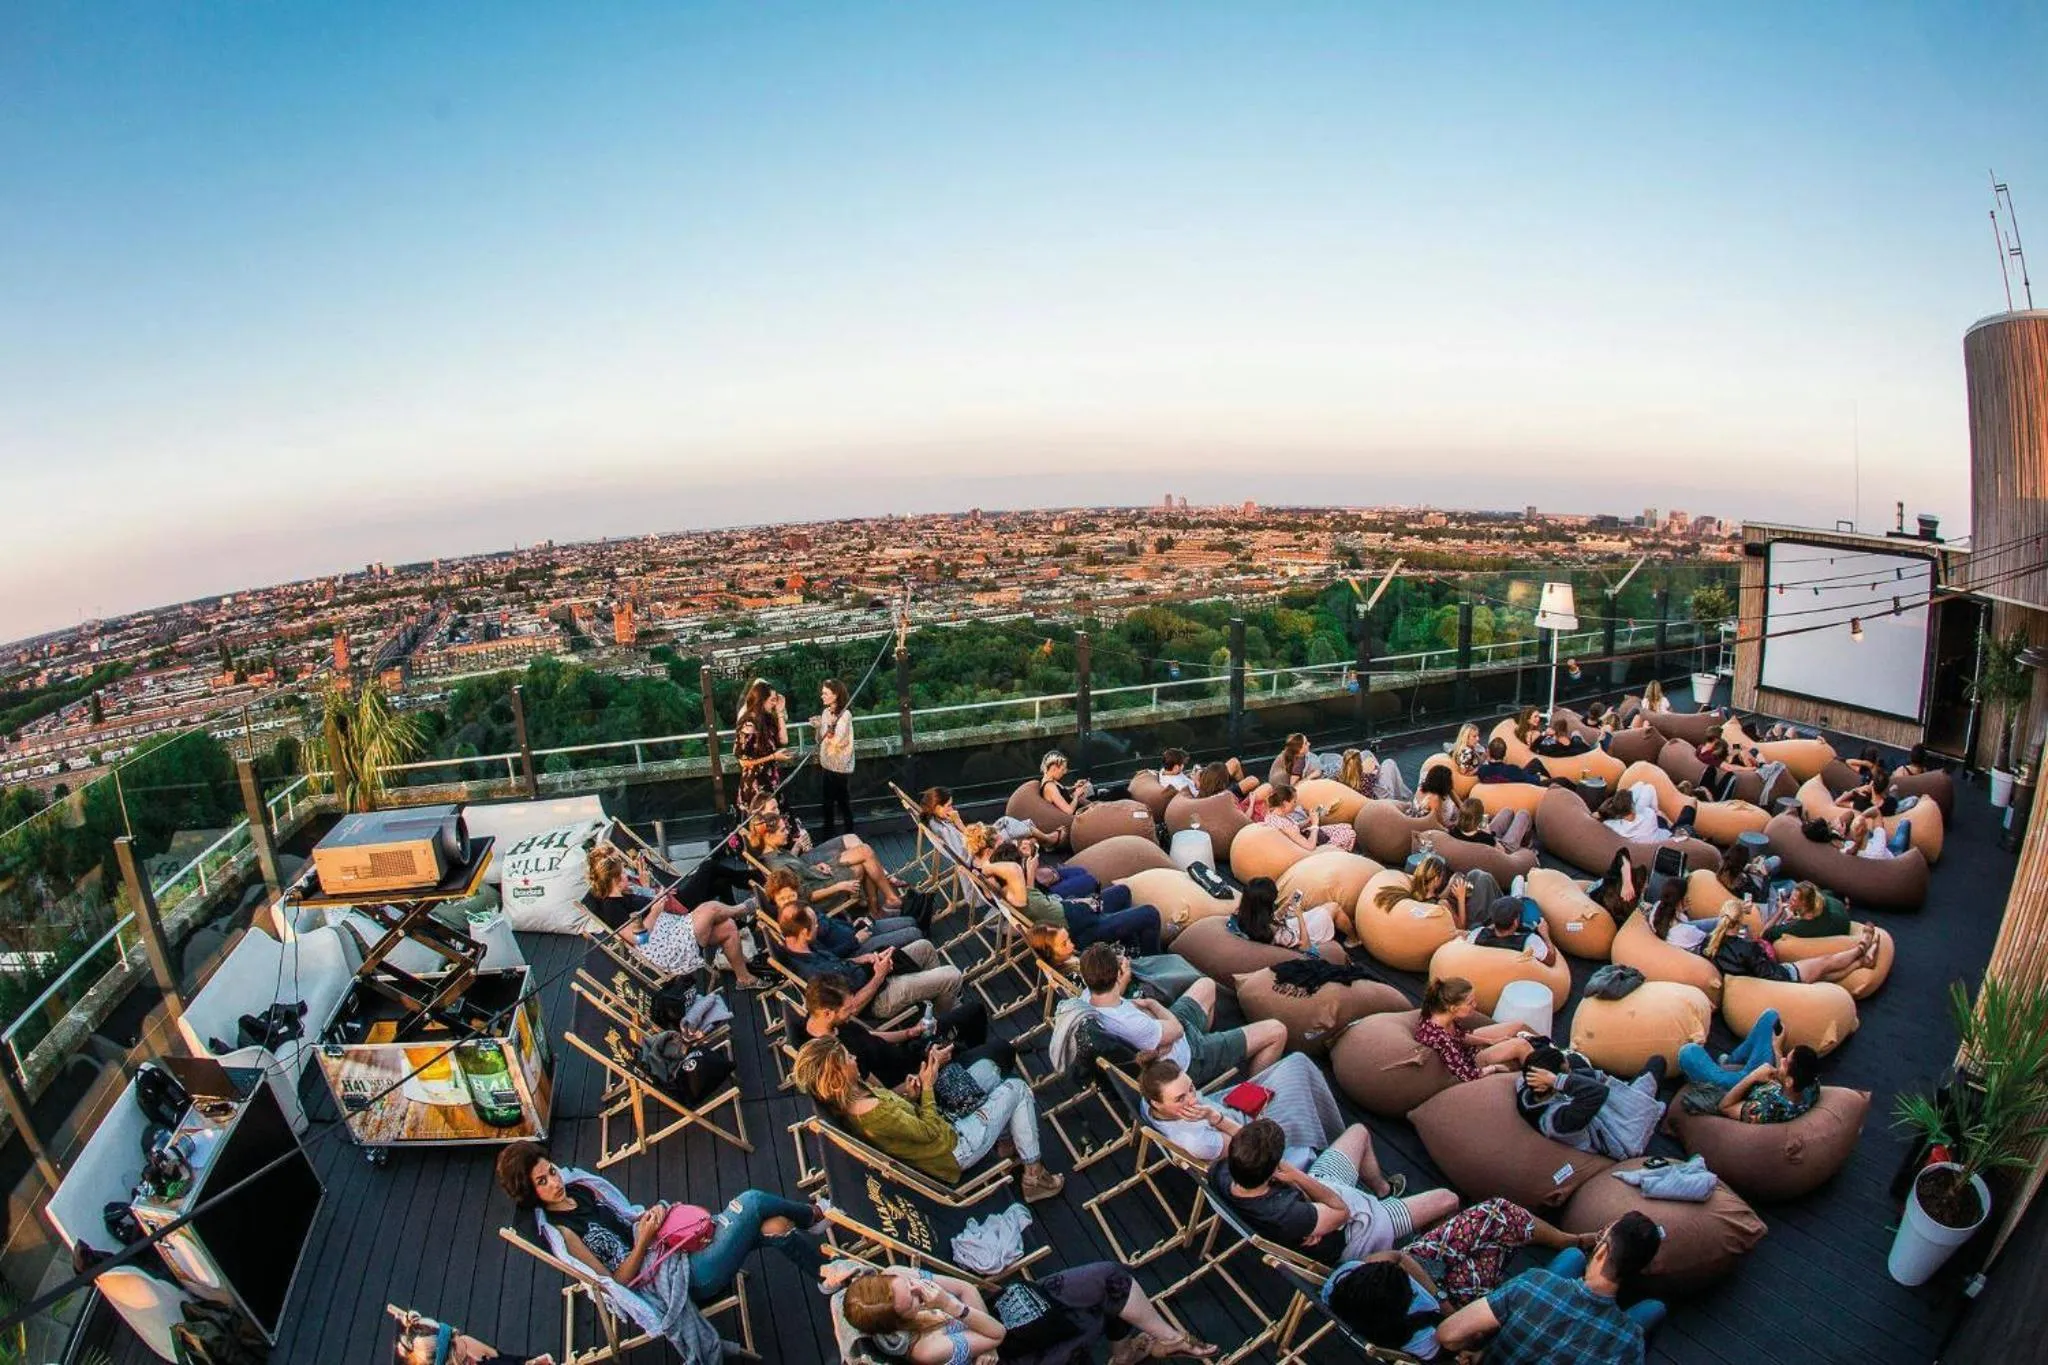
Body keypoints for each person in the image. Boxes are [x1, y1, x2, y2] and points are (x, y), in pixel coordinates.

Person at [496, 1143, 822, 1362]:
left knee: (776, 1226)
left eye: (552, 1171)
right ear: (531, 1193)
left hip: (667, 1247)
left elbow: (628, 1217)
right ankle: (815, 1216)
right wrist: (643, 1241)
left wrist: (651, 1217)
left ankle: (827, 1275)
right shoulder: (564, 1233)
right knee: (750, 1201)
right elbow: (615, 1283)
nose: (555, 1183)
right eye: (542, 1182)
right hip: (676, 1280)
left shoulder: (580, 1190)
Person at [791, 1035, 1065, 1201]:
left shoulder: (853, 1095)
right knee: (1017, 1088)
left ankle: (1004, 1145)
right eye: (847, 1057)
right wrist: (929, 1087)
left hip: (939, 1127)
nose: (853, 1057)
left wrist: (912, 1094)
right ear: (837, 1078)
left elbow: (904, 1121)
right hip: (953, 1147)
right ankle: (1034, 1177)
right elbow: (930, 1132)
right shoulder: (874, 1115)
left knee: (989, 1071)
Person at [1320, 1200, 1595, 1359]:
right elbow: (1472, 1335)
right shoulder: (1423, 1339)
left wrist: (1436, 1297)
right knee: (1500, 1241)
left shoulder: (1343, 1281)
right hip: (1458, 1304)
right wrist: (1447, 1308)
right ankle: (1573, 1249)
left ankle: (1569, 1241)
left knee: (1496, 1214)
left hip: (1430, 1280)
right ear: (1403, 1305)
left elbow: (1398, 1258)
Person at [831, 1259, 1217, 1362]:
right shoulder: (926, 1349)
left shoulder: (898, 1276)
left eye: (910, 1286)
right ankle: (1127, 1351)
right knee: (1095, 1314)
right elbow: (996, 1335)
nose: (919, 1291)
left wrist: (966, 1311)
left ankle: (1161, 1341)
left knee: (1109, 1276)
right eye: (913, 1300)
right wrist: (947, 1304)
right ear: (900, 1321)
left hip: (996, 1315)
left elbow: (968, 1286)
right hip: (1008, 1353)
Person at [1207, 1118, 1455, 1267]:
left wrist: (1217, 1118)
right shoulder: (1290, 1215)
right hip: (1354, 1232)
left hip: (1312, 1204)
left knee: (1359, 1132)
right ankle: (1421, 1252)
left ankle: (1384, 1190)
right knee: (1448, 1199)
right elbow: (1341, 1211)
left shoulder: (1220, 1173)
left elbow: (1244, 1145)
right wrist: (1298, 1177)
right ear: (1273, 1168)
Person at [1435, 1212, 1667, 1364]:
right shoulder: (1630, 1344)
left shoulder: (1534, 1284)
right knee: (1655, 1309)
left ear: (1602, 1252)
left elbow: (1448, 1335)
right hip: (1612, 1334)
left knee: (1573, 1256)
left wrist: (1481, 1352)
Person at [1077, 942, 1285, 1085]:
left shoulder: (1087, 998)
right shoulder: (1135, 1025)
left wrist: (1126, 990)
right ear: (1118, 974)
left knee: (1206, 985)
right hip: (1187, 1058)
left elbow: (1117, 1001)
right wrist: (1151, 1004)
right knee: (1277, 1031)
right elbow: (1176, 1029)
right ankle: (1246, 1090)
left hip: (1167, 1035)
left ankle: (1211, 1048)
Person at [588, 846, 769, 990]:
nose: (626, 875)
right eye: (623, 873)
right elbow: (639, 939)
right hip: (666, 947)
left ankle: (744, 979)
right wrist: (655, 911)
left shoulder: (623, 894)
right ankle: (743, 909)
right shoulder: (611, 908)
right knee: (710, 908)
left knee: (728, 927)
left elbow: (644, 905)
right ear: (614, 880)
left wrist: (649, 890)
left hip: (672, 928)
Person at [800, 974, 1011, 1092]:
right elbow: (887, 1095)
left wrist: (910, 1032)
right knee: (1003, 1049)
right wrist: (934, 1067)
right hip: (918, 1077)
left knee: (975, 1011)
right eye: (848, 1009)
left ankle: (971, 1067)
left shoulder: (827, 1021)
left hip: (912, 1051)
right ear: (827, 1013)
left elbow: (871, 1036)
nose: (854, 1010)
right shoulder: (841, 1058)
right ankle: (972, 1071)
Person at [1137, 1052, 1350, 1168]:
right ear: (1157, 1103)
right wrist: (1215, 1117)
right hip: (1258, 1134)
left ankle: (1332, 1134)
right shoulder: (1198, 1141)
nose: (1192, 1099)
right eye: (1180, 1098)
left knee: (1298, 1065)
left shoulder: (1147, 1103)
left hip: (1232, 1105)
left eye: (1191, 1088)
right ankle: (1336, 1137)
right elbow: (1250, 1144)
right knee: (1299, 1068)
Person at [776, 902, 964, 1020]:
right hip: (876, 999)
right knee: (952, 976)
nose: (818, 926)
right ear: (804, 932)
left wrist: (862, 959)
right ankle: (944, 1023)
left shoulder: (804, 946)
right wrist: (879, 975)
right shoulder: (813, 974)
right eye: (815, 924)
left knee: (925, 947)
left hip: (870, 973)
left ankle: (940, 1003)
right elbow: (851, 1009)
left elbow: (839, 964)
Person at [982, 840, 1162, 955]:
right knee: (1150, 914)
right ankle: (1152, 964)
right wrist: (988, 867)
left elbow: (1033, 897)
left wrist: (1029, 870)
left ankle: (1131, 949)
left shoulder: (1012, 892)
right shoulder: (1017, 896)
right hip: (1081, 932)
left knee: (1122, 892)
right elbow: (1013, 871)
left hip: (1077, 914)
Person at [1514, 1046, 1664, 1160]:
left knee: (1575, 1059)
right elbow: (1598, 1092)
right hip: (1622, 1129)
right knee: (1658, 1063)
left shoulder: (1528, 1089)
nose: (1570, 1073)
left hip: (1608, 1103)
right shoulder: (1559, 1121)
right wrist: (1557, 1080)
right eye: (1566, 1072)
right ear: (1553, 1080)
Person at [747, 808, 902, 915]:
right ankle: (879, 906)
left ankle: (882, 903)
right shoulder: (778, 866)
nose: (787, 832)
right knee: (862, 864)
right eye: (783, 830)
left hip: (817, 875)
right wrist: (839, 886)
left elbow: (799, 871)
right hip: (822, 893)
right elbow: (805, 896)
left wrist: (816, 867)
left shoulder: (777, 852)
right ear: (768, 836)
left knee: (864, 850)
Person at [1677, 1009, 1821, 1124]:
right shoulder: (1810, 1086)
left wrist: (1753, 1077)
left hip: (1741, 1087)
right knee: (1770, 1017)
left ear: (1789, 1082)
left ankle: (1726, 1066)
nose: (1782, 1059)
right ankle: (1729, 1063)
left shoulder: (1766, 1110)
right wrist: (1777, 1048)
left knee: (1688, 1053)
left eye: (1785, 1062)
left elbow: (1725, 1107)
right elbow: (1785, 1078)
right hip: (1766, 1075)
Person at [1414, 976, 1539, 1081]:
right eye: (1470, 1003)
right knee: (1521, 1045)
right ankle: (1543, 1080)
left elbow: (1460, 1035)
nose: (1475, 1005)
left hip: (1468, 1050)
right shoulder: (1439, 1037)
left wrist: (1491, 1041)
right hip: (1472, 1063)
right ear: (1453, 1008)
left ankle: (1548, 1048)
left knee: (1519, 1026)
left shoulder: (1442, 1016)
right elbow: (1466, 1075)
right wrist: (1495, 1068)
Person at [1373, 853, 1501, 932]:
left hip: (1445, 904)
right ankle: (1502, 910)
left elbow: (1433, 897)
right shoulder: (1442, 904)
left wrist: (1450, 886)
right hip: (1469, 924)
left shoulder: (1415, 893)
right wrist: (1461, 898)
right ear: (1436, 879)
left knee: (1474, 875)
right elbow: (1461, 927)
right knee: (1484, 880)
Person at [390, 1308, 555, 1365]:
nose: (458, 1337)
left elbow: (507, 1360)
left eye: (453, 1334)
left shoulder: (467, 1343)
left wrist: (532, 1362)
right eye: (453, 1341)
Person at [1232, 876, 1349, 954]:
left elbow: (1268, 921)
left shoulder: (1245, 917)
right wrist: (1300, 916)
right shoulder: (1280, 936)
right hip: (1300, 935)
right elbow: (1305, 947)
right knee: (1333, 907)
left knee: (1322, 910)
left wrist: (1284, 907)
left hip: (1288, 928)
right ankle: (1353, 940)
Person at [733, 679, 792, 811]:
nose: (774, 703)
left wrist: (780, 713)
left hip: (771, 779)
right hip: (756, 783)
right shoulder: (749, 725)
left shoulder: (767, 719)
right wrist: (773, 757)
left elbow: (783, 740)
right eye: (772, 700)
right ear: (761, 700)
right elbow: (744, 762)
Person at [814, 678, 857, 839]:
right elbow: (820, 739)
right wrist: (819, 727)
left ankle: (849, 832)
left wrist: (829, 728)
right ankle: (829, 833)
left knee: (842, 801)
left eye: (825, 693)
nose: (822, 696)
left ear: (836, 695)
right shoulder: (826, 713)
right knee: (827, 802)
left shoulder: (845, 715)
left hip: (840, 766)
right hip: (827, 763)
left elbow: (839, 741)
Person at [1264, 783, 1358, 853]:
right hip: (1310, 850)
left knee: (1346, 826)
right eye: (1294, 802)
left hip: (1305, 836)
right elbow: (1310, 847)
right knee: (1349, 834)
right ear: (1285, 803)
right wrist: (1315, 825)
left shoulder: (1274, 816)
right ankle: (1334, 856)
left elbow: (1294, 828)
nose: (1296, 804)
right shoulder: (1284, 825)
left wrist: (1308, 821)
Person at [1465, 894, 1555, 964]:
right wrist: (1545, 935)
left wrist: (1497, 922)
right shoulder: (1530, 941)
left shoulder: (1477, 934)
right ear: (1515, 922)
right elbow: (1551, 960)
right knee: (1519, 882)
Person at [1598, 784, 1692, 843]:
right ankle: (1685, 798)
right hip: (1666, 837)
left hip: (1650, 839)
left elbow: (1602, 818)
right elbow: (1648, 788)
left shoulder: (1613, 826)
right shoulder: (1649, 814)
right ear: (1632, 805)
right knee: (1687, 815)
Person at [1763, 880, 1854, 941]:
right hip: (1840, 915)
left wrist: (1780, 910)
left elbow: (1766, 934)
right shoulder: (1818, 897)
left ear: (1804, 905)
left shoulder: (1803, 926)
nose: (1789, 901)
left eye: (1793, 900)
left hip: (1839, 929)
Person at [1450, 794, 1530, 853]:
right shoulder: (1486, 838)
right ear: (1479, 819)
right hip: (1503, 848)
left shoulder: (1454, 831)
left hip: (1486, 837)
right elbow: (1502, 851)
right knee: (1523, 814)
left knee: (1507, 811)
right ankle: (1525, 843)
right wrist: (1488, 833)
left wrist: (1483, 831)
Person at [1340, 746, 1410, 802]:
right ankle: (1404, 800)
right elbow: (1367, 791)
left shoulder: (1339, 778)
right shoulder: (1365, 781)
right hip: (1379, 800)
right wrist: (1370, 774)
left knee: (1366, 753)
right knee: (1389, 763)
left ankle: (1378, 770)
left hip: (1362, 784)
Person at [1037, 751, 1093, 820]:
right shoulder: (1050, 787)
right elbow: (1069, 811)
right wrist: (1076, 795)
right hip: (1074, 818)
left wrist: (1075, 787)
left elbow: (1060, 791)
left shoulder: (1050, 780)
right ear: (1054, 768)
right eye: (1062, 769)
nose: (1065, 772)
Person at [1476, 738, 1549, 787]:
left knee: (1535, 763)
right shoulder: (1512, 769)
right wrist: (1542, 778)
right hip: (1518, 782)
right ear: (1504, 754)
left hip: (1511, 777)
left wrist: (1482, 760)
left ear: (1488, 752)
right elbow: (1533, 780)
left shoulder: (1482, 770)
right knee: (1536, 765)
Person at [1407, 764, 1459, 829]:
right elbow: (1441, 823)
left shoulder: (1420, 790)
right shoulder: (1435, 798)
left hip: (1412, 819)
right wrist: (1456, 823)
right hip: (1423, 827)